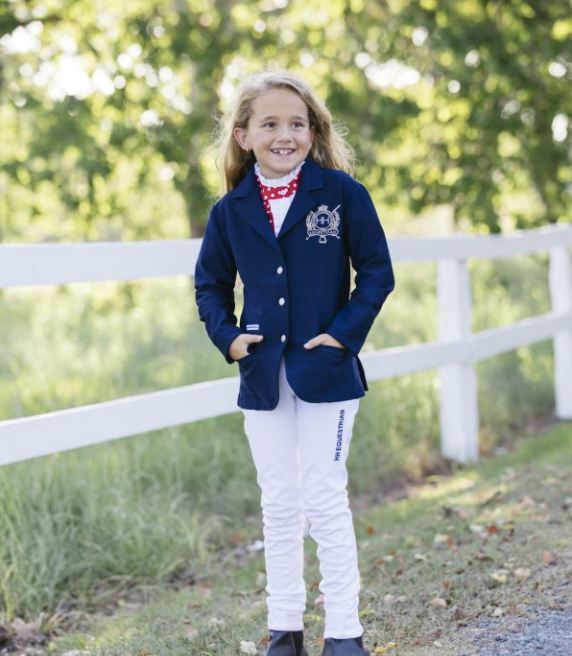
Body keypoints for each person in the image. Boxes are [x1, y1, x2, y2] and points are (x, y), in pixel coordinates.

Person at [194, 69, 395, 656]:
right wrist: (229, 338)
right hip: (262, 375)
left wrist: (342, 336)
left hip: (326, 372)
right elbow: (210, 286)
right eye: (270, 124)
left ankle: (345, 633)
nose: (285, 135)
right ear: (243, 136)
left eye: (297, 124)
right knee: (279, 501)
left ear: (313, 131)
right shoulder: (229, 210)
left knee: (325, 495)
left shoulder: (342, 195)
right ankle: (285, 631)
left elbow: (376, 274)